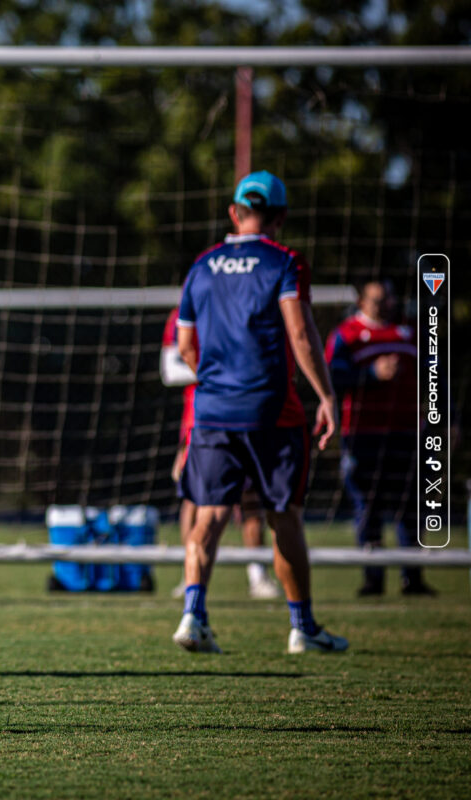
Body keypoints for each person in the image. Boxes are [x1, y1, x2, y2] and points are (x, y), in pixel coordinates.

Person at [173, 170, 348, 655]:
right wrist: (327, 396)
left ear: (234, 212)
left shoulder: (202, 266)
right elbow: (300, 334)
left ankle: (193, 615)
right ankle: (303, 626)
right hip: (273, 412)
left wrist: (215, 379)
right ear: (281, 217)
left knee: (208, 517)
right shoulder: (285, 261)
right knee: (283, 516)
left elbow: (186, 344)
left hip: (212, 411)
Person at [161, 308, 281, 600]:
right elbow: (171, 368)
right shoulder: (185, 312)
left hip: (248, 416)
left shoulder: (250, 306)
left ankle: (257, 575)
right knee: (195, 499)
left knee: (251, 499)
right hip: (200, 420)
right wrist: (220, 372)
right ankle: (189, 577)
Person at [326, 280, 434, 597]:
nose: (383, 305)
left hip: (406, 431)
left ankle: (411, 578)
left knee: (410, 506)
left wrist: (444, 416)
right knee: (367, 506)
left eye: (387, 298)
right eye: (376, 299)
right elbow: (333, 378)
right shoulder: (345, 335)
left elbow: (433, 376)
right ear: (361, 301)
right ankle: (373, 579)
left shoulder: (410, 332)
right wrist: (372, 374)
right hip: (363, 434)